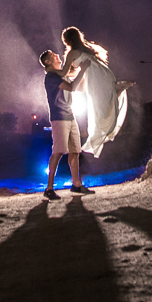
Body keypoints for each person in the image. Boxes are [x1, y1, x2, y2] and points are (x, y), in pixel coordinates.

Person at [60, 27, 130, 157]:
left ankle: (116, 91)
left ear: (67, 41)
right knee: (98, 103)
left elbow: (65, 73)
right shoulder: (87, 49)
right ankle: (115, 91)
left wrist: (52, 70)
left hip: (96, 78)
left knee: (99, 111)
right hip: (105, 75)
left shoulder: (72, 53)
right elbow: (73, 73)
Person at [39, 49, 94, 199]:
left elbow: (72, 75)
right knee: (58, 152)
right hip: (59, 118)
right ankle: (49, 188)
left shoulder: (60, 75)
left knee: (75, 151)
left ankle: (76, 184)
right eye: (53, 56)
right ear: (48, 62)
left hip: (70, 116)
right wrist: (83, 69)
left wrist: (79, 66)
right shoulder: (51, 77)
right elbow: (72, 87)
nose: (57, 56)